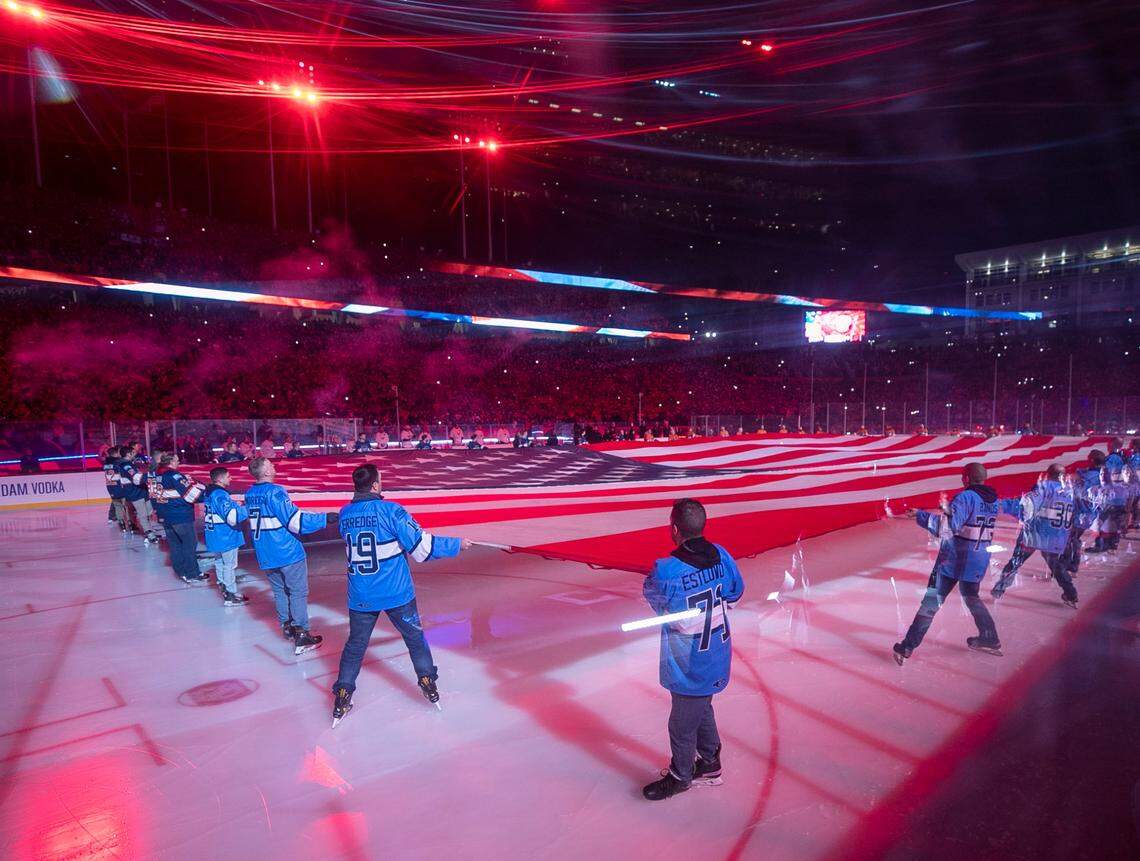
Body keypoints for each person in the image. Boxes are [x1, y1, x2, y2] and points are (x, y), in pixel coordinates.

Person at [331, 464, 472, 724]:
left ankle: (342, 693)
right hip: (396, 593)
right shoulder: (392, 511)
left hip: (361, 593)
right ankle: (428, 681)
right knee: (415, 638)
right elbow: (421, 548)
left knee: (355, 645)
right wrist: (457, 545)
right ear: (374, 485)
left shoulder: (345, 514)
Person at [640, 499, 745, 801]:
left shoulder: (666, 570)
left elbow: (657, 602)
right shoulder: (722, 556)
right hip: (716, 654)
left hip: (688, 662)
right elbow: (736, 593)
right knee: (702, 707)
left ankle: (681, 775)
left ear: (674, 529)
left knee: (681, 724)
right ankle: (710, 764)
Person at [893, 463, 1021, 665]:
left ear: (967, 478)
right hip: (978, 560)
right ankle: (989, 637)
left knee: (931, 602)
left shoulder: (965, 498)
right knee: (971, 597)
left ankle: (908, 646)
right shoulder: (993, 501)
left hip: (954, 560)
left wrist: (920, 515)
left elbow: (947, 528)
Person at [245, 456, 328, 655]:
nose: (274, 466)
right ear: (265, 471)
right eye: (270, 464)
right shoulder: (275, 491)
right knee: (297, 591)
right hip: (286, 550)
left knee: (280, 591)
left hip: (265, 552)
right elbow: (294, 521)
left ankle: (288, 626)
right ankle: (301, 634)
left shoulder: (249, 493)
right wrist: (325, 519)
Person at [990, 464, 1085, 608]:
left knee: (1017, 560)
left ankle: (999, 589)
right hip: (1055, 537)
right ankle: (1071, 593)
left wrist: (1000, 505)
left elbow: (1027, 505)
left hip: (1035, 534)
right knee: (1056, 566)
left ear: (1048, 474)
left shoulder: (1044, 487)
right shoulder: (1069, 492)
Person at [152, 452, 207, 584]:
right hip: (180, 515)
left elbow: (153, 496)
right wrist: (204, 493)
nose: (179, 463)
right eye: (177, 460)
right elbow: (191, 495)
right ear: (170, 462)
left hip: (164, 515)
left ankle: (180, 571)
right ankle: (192, 573)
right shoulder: (174, 475)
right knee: (189, 543)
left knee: (175, 544)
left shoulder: (154, 475)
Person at [202, 466, 250, 606]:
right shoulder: (220, 495)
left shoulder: (209, 493)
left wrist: (235, 505)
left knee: (219, 562)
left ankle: (224, 586)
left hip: (214, 535)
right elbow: (232, 517)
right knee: (229, 565)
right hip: (225, 535)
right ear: (220, 479)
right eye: (228, 476)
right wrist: (246, 508)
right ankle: (230, 594)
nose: (231, 478)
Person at [116, 444, 161, 542]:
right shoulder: (126, 466)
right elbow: (136, 477)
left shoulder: (130, 464)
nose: (135, 454)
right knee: (143, 514)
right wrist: (150, 475)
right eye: (133, 452)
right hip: (134, 493)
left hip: (141, 491)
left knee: (148, 512)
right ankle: (149, 534)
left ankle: (150, 530)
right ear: (128, 454)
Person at [103, 445, 131, 533]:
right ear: (116, 453)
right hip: (120, 487)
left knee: (117, 506)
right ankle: (130, 523)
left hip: (111, 487)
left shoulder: (106, 465)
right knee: (126, 506)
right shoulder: (118, 463)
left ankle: (121, 523)